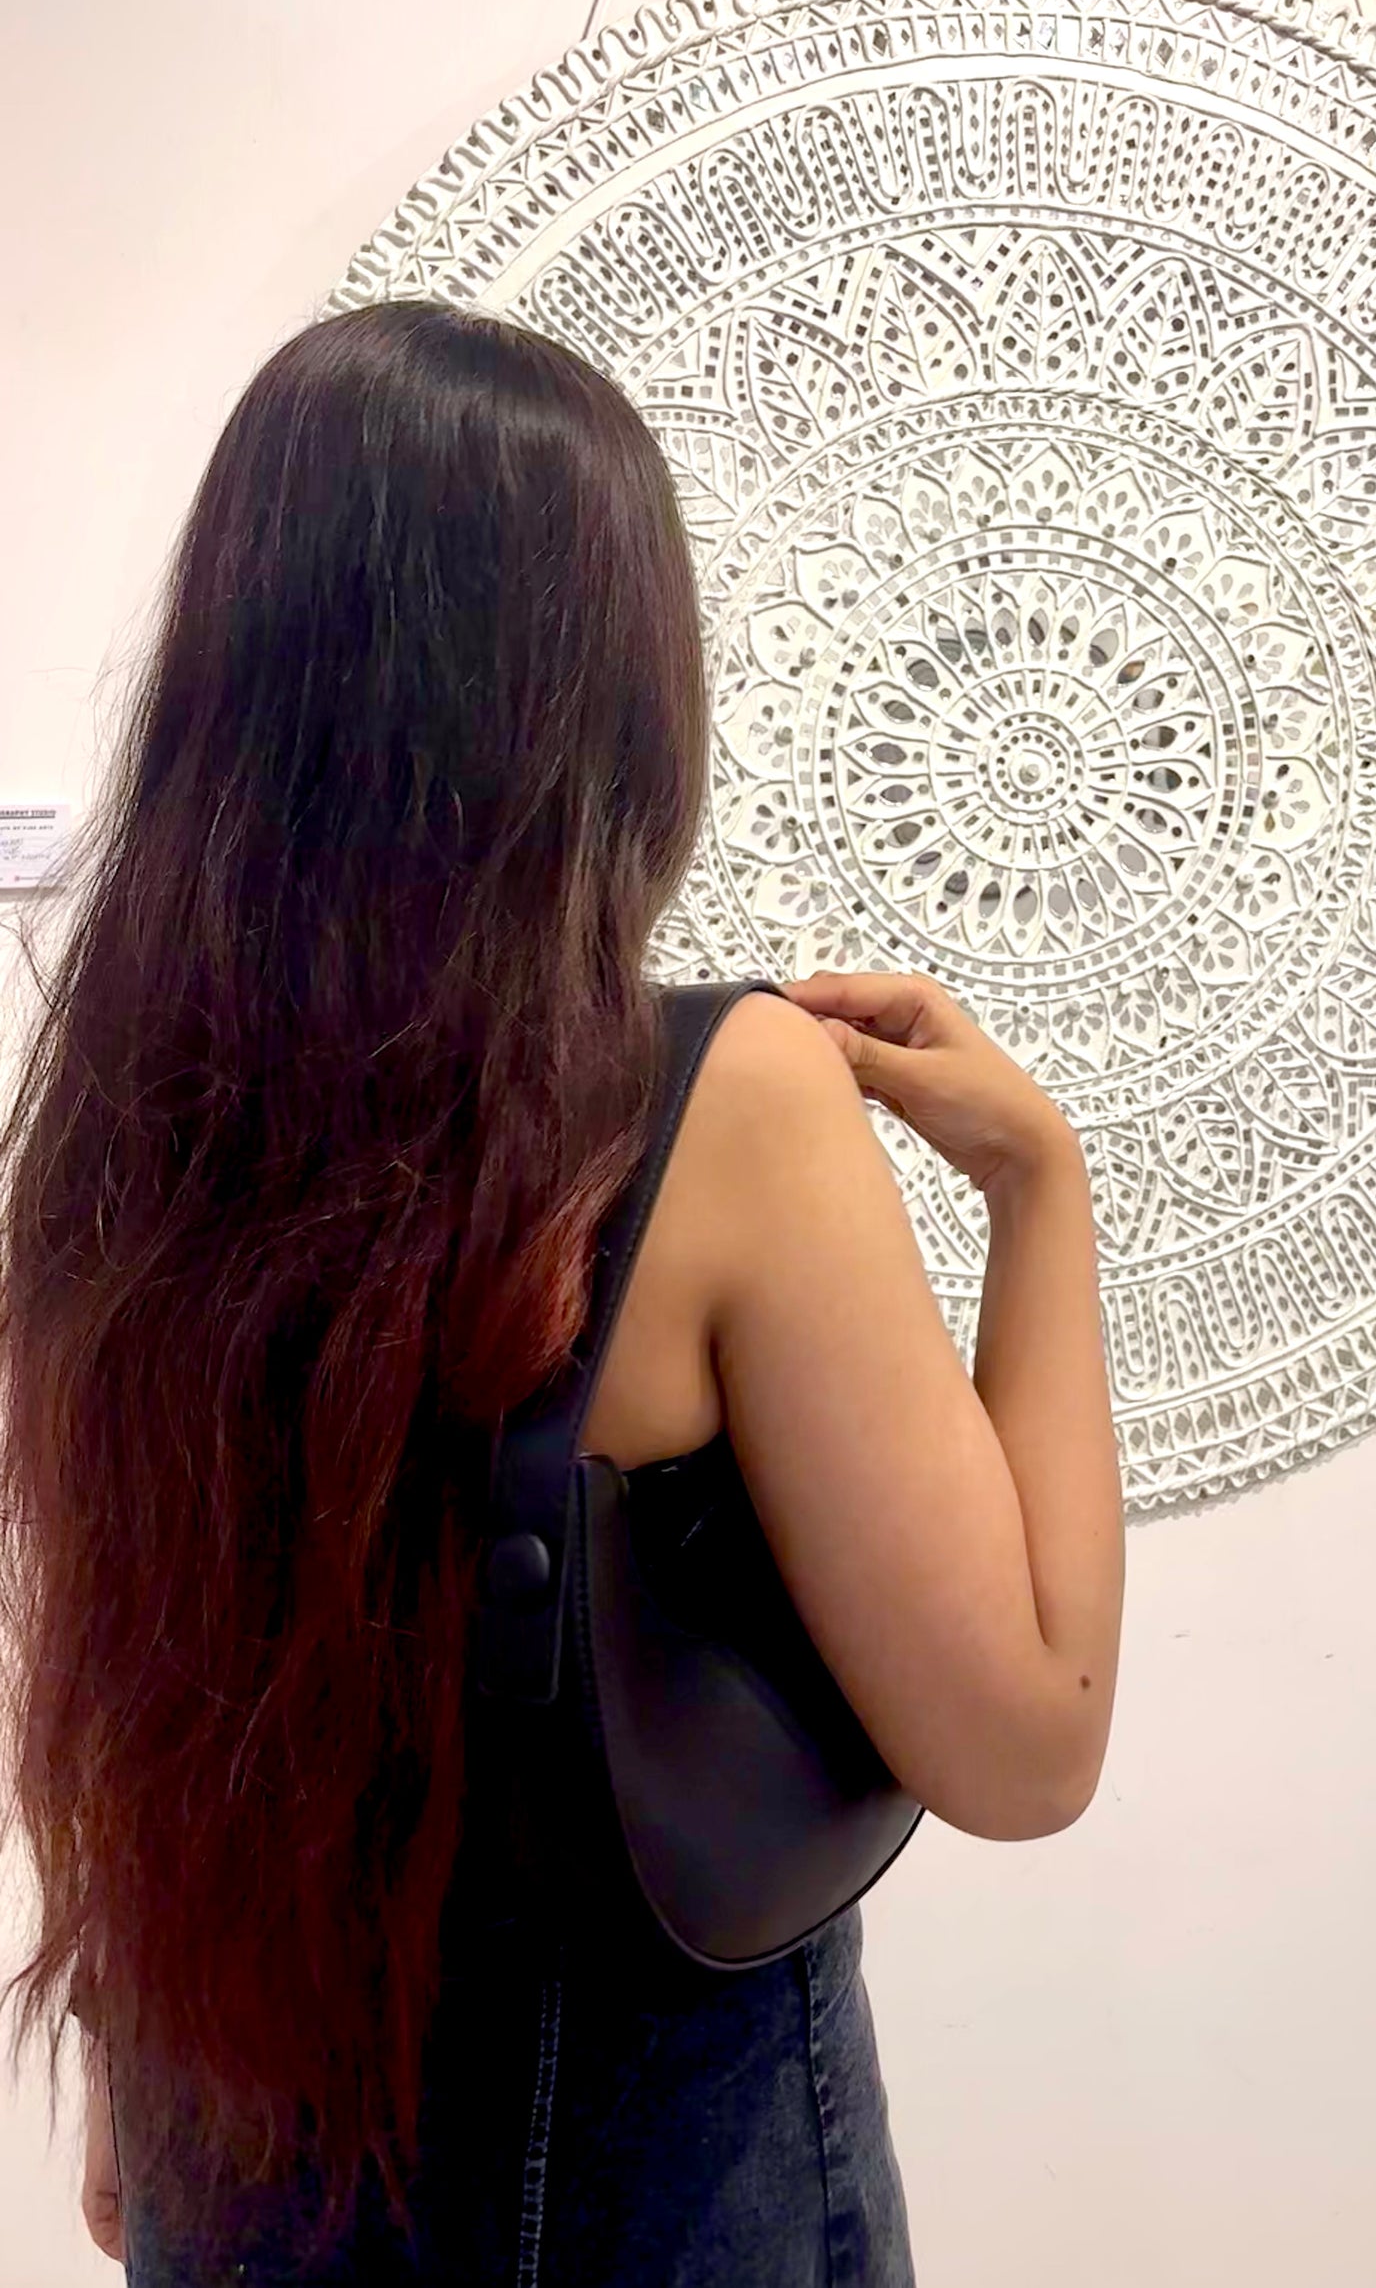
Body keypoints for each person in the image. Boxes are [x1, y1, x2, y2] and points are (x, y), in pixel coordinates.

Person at [0, 301, 1125, 2283]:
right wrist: (1041, 1191)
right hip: (642, 2171)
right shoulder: (718, 1100)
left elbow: (117, 1640)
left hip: (221, 2107)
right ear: (609, 688)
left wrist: (123, 2047)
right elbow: (1025, 1743)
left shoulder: (132, 1097)